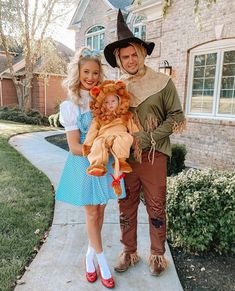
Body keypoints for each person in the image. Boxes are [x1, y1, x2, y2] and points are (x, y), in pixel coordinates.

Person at [104, 9, 186, 276]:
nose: (130, 60)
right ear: (119, 59)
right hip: (125, 159)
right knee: (125, 206)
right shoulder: (116, 88)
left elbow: (176, 118)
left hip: (153, 157)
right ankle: (128, 253)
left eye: (133, 55)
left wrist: (148, 137)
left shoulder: (163, 83)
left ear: (142, 53)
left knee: (156, 205)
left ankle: (158, 257)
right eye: (124, 56)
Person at [55, 47, 125, 289]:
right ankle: (102, 262)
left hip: (105, 165)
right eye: (86, 72)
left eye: (95, 72)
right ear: (78, 72)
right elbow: (74, 146)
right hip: (85, 165)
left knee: (102, 210)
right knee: (92, 213)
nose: (91, 77)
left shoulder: (104, 100)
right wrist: (96, 147)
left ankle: (88, 256)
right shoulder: (71, 105)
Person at [82, 80, 139, 196]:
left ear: (119, 100)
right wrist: (87, 144)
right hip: (104, 136)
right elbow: (93, 131)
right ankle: (97, 164)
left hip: (119, 134)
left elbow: (133, 128)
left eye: (113, 101)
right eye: (106, 102)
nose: (110, 104)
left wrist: (137, 139)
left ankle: (121, 160)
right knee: (98, 144)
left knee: (126, 138)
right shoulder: (99, 118)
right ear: (102, 104)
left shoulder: (126, 115)